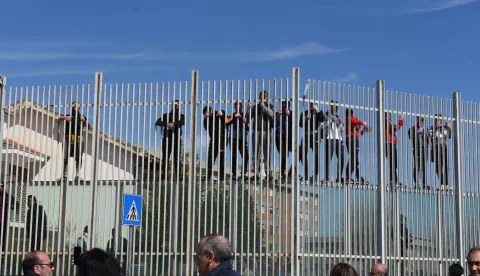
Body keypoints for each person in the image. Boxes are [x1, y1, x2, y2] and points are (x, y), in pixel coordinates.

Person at [246, 91, 275, 180]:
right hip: (256, 130)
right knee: (256, 153)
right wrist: (248, 109)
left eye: (265, 96)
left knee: (267, 153)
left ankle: (268, 172)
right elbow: (247, 117)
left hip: (266, 130)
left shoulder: (270, 106)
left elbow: (271, 114)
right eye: (261, 96)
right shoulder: (255, 107)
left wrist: (264, 107)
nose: (263, 98)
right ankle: (256, 173)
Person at [58, 101, 90, 182]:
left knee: (78, 158)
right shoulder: (69, 116)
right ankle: (64, 175)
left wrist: (84, 120)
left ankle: (78, 175)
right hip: (67, 138)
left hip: (78, 138)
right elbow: (58, 118)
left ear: (79, 107)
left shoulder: (81, 117)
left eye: (76, 106)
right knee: (65, 157)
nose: (75, 107)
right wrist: (65, 117)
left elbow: (88, 126)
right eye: (73, 106)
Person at [155, 100, 185, 180]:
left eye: (178, 105)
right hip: (167, 138)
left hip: (176, 138)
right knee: (165, 157)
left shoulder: (181, 116)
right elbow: (157, 122)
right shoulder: (166, 115)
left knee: (177, 157)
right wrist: (166, 124)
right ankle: (164, 175)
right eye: (176, 105)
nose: (177, 106)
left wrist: (174, 124)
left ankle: (178, 175)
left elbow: (182, 122)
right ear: (172, 106)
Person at [299, 99, 325, 181]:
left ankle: (315, 175)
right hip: (306, 135)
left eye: (313, 104)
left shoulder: (318, 113)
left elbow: (322, 119)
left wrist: (317, 109)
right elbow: (300, 124)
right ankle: (306, 174)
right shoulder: (304, 113)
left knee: (316, 155)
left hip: (315, 135)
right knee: (302, 154)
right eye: (311, 104)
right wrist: (306, 118)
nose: (312, 106)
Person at [344, 108, 370, 185]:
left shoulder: (352, 121)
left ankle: (357, 177)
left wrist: (364, 131)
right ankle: (349, 176)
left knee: (355, 159)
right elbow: (353, 121)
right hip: (352, 139)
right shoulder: (349, 119)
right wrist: (363, 123)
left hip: (353, 139)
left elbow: (357, 132)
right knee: (353, 158)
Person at [226, 101, 250, 180]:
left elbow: (248, 128)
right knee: (234, 156)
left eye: (240, 105)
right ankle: (233, 173)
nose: (238, 107)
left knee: (246, 156)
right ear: (234, 107)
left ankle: (243, 173)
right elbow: (226, 122)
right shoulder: (231, 115)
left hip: (242, 138)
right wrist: (234, 116)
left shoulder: (244, 116)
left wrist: (246, 122)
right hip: (233, 138)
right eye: (237, 105)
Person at [324, 101, 346, 183]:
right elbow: (323, 126)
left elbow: (341, 130)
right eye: (334, 106)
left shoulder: (337, 116)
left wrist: (340, 123)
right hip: (330, 138)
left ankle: (339, 177)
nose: (336, 108)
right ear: (330, 106)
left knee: (342, 158)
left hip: (339, 139)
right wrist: (331, 121)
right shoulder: (326, 115)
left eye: (337, 106)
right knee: (328, 158)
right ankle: (326, 177)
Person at [203, 106, 227, 181]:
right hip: (213, 139)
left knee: (221, 158)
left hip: (222, 139)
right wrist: (209, 118)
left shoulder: (221, 112)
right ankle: (208, 175)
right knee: (210, 157)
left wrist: (222, 115)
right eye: (205, 114)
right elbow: (206, 127)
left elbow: (227, 122)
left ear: (211, 111)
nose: (206, 115)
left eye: (206, 113)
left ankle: (222, 177)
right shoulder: (207, 119)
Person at [429, 114, 452, 189]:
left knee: (445, 166)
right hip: (435, 148)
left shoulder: (444, 128)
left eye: (438, 120)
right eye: (436, 120)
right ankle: (442, 183)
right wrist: (436, 128)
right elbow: (431, 135)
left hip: (443, 148)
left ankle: (446, 184)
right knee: (438, 167)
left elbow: (449, 136)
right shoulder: (431, 128)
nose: (437, 121)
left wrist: (449, 128)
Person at [275, 100, 293, 179]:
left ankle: (291, 171)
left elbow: (296, 124)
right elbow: (273, 124)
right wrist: (278, 116)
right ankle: (283, 173)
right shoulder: (278, 114)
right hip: (280, 136)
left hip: (289, 136)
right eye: (283, 106)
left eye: (285, 106)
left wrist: (290, 115)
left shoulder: (292, 113)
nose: (284, 107)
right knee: (284, 154)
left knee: (299, 152)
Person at [408, 116, 428, 189]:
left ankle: (424, 184)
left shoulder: (424, 130)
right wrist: (417, 132)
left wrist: (428, 136)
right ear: (417, 121)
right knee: (417, 166)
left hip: (424, 149)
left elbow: (427, 141)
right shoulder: (412, 129)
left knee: (424, 167)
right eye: (420, 120)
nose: (422, 122)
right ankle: (416, 183)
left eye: (422, 121)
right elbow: (411, 137)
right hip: (417, 149)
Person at [384, 112, 404, 185]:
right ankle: (393, 181)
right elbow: (396, 128)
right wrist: (401, 120)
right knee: (393, 163)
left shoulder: (384, 122)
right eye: (388, 116)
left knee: (393, 163)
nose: (389, 117)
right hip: (390, 144)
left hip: (389, 144)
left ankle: (393, 180)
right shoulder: (387, 122)